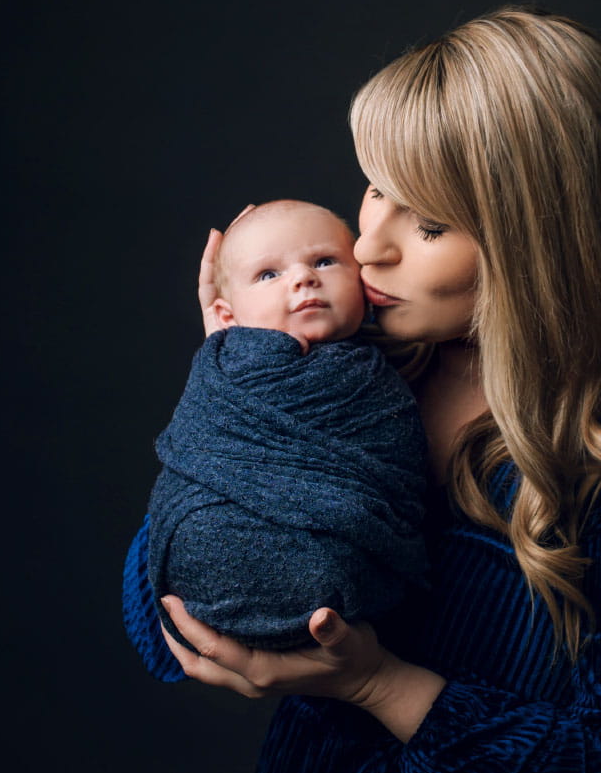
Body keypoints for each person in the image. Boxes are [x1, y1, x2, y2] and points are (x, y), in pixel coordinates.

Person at [122, 6, 601, 771]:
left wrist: (379, 686)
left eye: (427, 225)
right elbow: (160, 619)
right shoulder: (358, 361)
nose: (365, 246)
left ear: (536, 243)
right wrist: (238, 392)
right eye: (375, 189)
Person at [139, 200, 429, 656]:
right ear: (227, 318)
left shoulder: (377, 372)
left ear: (363, 284)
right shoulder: (225, 372)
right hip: (214, 557)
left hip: (352, 586)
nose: (303, 278)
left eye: (325, 261)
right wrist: (239, 360)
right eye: (268, 275)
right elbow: (199, 463)